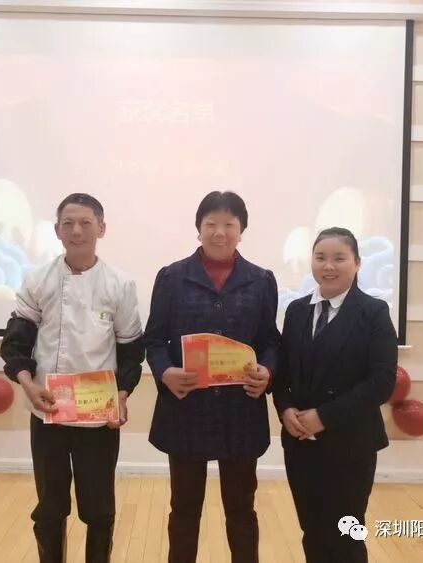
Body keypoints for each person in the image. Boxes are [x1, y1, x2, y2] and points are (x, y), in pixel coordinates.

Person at [0, 193, 145, 563]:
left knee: (99, 508)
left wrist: (122, 394)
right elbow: (16, 342)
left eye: (85, 223)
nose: (77, 231)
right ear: (57, 231)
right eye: (68, 223)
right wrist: (28, 385)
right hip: (47, 411)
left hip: (98, 416)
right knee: (50, 506)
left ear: (101, 228)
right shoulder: (38, 280)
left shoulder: (119, 284)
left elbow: (130, 351)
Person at [144, 191, 281, 563]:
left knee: (241, 509)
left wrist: (267, 371)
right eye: (211, 224)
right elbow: (153, 339)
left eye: (229, 224)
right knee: (184, 510)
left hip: (240, 411)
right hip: (187, 409)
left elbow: (270, 341)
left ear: (241, 230)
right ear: (199, 228)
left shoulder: (261, 280)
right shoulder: (172, 277)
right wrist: (165, 372)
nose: (220, 232)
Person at [273, 227, 397, 563]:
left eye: (339, 258)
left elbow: (381, 382)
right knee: (312, 531)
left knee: (345, 535)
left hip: (350, 444)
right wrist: (286, 410)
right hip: (300, 444)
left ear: (357, 263)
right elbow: (282, 375)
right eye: (321, 258)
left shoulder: (373, 312)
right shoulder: (297, 311)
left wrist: (323, 417)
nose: (328, 266)